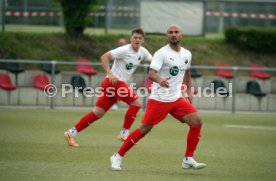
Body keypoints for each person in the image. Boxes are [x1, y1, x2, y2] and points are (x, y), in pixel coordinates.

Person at [110, 24, 206, 171]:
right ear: (167, 36)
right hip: (159, 99)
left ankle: (188, 158)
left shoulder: (187, 54)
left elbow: (186, 73)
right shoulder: (161, 53)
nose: (174, 34)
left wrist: (188, 91)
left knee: (197, 122)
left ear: (181, 35)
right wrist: (160, 80)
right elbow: (151, 73)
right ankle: (117, 156)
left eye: (176, 32)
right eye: (170, 32)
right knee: (144, 129)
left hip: (176, 98)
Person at [64, 28, 152, 147]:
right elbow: (104, 57)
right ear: (131, 38)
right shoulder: (124, 50)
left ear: (143, 40)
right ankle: (124, 133)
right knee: (136, 103)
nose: (137, 40)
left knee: (97, 113)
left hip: (112, 84)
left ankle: (71, 132)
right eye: (135, 37)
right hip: (114, 82)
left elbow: (154, 62)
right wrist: (110, 73)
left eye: (139, 38)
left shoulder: (143, 52)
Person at [110, 37, 128, 111]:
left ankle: (130, 103)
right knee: (113, 89)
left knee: (121, 90)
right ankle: (113, 104)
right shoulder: (114, 51)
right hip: (115, 74)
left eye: (123, 44)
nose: (122, 45)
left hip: (124, 75)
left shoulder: (129, 51)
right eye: (120, 44)